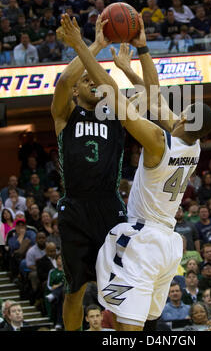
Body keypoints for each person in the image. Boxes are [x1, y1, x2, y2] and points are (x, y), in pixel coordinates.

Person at [60, 13, 211, 331]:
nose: (175, 111)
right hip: (169, 243)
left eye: (182, 110)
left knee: (127, 325)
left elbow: (117, 96)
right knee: (139, 321)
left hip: (141, 239)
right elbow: (154, 99)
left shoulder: (159, 141)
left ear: (184, 121)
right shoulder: (193, 146)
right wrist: (136, 59)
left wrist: (81, 45)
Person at [51, 19, 127, 331]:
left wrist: (92, 51)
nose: (93, 83)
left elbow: (109, 86)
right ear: (78, 88)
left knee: (121, 289)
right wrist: (92, 45)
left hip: (110, 206)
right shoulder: (66, 114)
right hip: (77, 206)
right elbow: (63, 83)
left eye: (96, 79)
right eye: (87, 80)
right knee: (75, 291)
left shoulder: (118, 116)